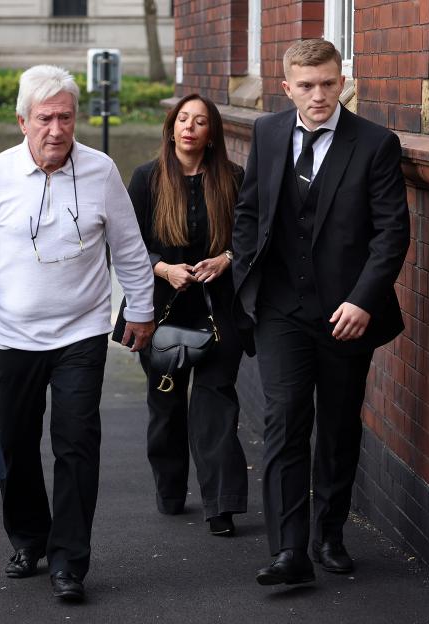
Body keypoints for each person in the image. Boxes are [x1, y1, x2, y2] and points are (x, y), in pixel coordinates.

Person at [0, 65, 154, 603]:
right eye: (46, 118)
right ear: (23, 121)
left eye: (66, 117)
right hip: (13, 336)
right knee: (15, 444)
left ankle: (69, 560)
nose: (57, 129)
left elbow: (128, 247)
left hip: (82, 333)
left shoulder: (100, 171)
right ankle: (29, 538)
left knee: (77, 444)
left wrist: (141, 310)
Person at [232, 39, 410, 585]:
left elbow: (391, 232)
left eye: (328, 84)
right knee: (284, 421)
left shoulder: (376, 143)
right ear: (287, 87)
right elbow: (249, 211)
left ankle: (328, 534)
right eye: (306, 86)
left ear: (343, 83)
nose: (318, 96)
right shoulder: (266, 134)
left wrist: (363, 300)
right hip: (281, 307)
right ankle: (289, 551)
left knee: (336, 427)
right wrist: (246, 279)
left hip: (345, 312)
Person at [113, 93, 248, 536]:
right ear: (171, 127)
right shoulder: (148, 178)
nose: (190, 127)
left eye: (201, 121)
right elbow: (126, 245)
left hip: (217, 309)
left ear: (212, 135)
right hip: (161, 310)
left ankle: (220, 506)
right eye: (183, 119)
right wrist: (165, 269)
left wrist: (225, 258)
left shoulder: (232, 178)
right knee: (167, 407)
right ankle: (170, 491)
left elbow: (250, 239)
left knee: (216, 407)